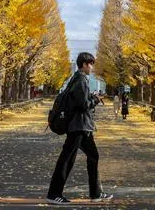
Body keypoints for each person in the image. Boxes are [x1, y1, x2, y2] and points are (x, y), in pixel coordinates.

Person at [47, 52, 112, 204]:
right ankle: (53, 194)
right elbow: (82, 104)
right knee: (67, 159)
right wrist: (95, 99)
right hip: (78, 126)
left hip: (82, 126)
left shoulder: (78, 79)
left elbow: (80, 100)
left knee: (92, 156)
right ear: (84, 64)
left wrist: (91, 97)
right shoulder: (80, 80)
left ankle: (95, 193)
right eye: (90, 64)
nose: (92, 67)